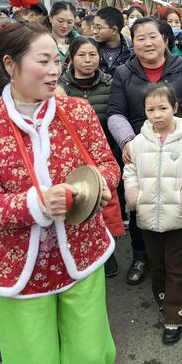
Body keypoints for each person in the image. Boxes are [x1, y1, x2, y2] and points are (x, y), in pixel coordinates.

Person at [0, 23, 119, 364]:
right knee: (31, 358)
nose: (54, 70)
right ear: (10, 65)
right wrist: (37, 204)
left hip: (82, 252)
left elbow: (106, 163)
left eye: (56, 61)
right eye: (42, 61)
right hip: (17, 268)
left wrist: (99, 186)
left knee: (89, 355)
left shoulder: (77, 111)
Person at [107, 17, 182, 286]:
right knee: (139, 203)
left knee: (177, 199)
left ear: (165, 40)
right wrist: (127, 142)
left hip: (177, 146)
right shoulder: (124, 73)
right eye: (140, 38)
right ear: (132, 42)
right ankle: (141, 256)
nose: (148, 42)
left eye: (153, 36)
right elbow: (115, 113)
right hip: (139, 147)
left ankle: (175, 259)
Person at [123, 84, 182, 345]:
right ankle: (163, 299)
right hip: (147, 216)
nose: (157, 114)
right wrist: (133, 194)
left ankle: (175, 315)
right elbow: (129, 172)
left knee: (174, 268)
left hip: (177, 218)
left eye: (162, 108)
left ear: (174, 108)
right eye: (151, 109)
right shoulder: (138, 143)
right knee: (157, 266)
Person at [59, 36, 126, 277]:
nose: (88, 60)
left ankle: (106, 251)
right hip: (70, 157)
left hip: (104, 152)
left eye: (92, 55)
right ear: (71, 58)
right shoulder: (60, 87)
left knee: (106, 204)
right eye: (81, 55)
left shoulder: (110, 84)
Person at [93, 6, 132, 76]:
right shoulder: (91, 46)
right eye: (94, 27)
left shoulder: (131, 49)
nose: (94, 31)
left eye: (99, 28)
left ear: (114, 30)